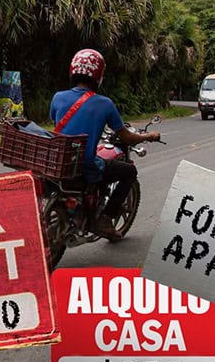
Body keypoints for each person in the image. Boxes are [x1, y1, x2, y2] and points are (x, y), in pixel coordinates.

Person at [49, 49, 160, 239]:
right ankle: (105, 219)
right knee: (129, 172)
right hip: (84, 166)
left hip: (58, 162)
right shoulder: (105, 104)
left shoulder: (58, 97)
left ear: (73, 71)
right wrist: (148, 136)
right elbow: (127, 137)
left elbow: (57, 122)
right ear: (99, 75)